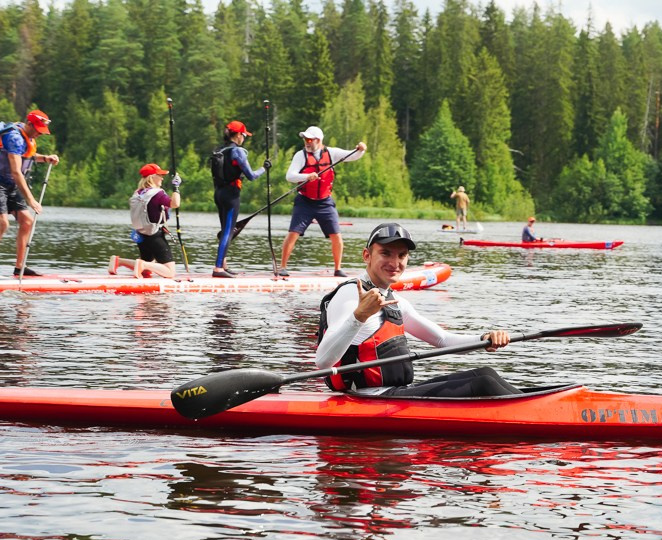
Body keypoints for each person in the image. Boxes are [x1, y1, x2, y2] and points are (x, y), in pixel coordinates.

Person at [316, 222, 521, 398]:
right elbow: (323, 362)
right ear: (366, 255)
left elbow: (442, 340)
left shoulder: (395, 301)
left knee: (485, 374)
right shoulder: (351, 294)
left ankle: (542, 406)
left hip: (394, 392)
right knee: (483, 384)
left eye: (402, 255)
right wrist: (359, 316)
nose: (395, 263)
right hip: (366, 398)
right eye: (385, 253)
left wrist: (484, 339)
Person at [0, 109, 60, 280]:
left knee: (27, 221)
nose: (39, 134)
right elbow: (16, 171)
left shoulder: (27, 136)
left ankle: (19, 267)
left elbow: (26, 155)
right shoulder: (13, 137)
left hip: (11, 184)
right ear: (29, 124)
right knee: (2, 224)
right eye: (37, 129)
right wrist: (31, 200)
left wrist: (45, 158)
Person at [280, 125, 366, 278]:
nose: (306, 142)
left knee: (336, 235)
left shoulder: (331, 153)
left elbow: (352, 155)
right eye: (305, 139)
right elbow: (290, 176)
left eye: (309, 139)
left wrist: (361, 149)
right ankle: (282, 267)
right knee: (293, 233)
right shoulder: (301, 155)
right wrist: (306, 177)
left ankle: (338, 269)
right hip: (305, 201)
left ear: (318, 141)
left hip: (325, 202)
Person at [212, 120, 269, 278]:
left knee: (225, 230)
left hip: (218, 193)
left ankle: (223, 264)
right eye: (244, 135)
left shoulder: (219, 150)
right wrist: (264, 169)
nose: (244, 138)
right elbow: (251, 175)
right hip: (231, 195)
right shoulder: (238, 152)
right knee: (228, 232)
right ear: (237, 135)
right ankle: (218, 269)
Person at [109, 163, 181, 279]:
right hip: (154, 235)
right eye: (159, 175)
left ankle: (118, 261)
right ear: (152, 177)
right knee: (170, 272)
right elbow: (175, 203)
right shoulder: (157, 193)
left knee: (148, 269)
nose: (162, 178)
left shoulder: (137, 193)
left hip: (141, 235)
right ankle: (142, 264)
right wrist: (176, 188)